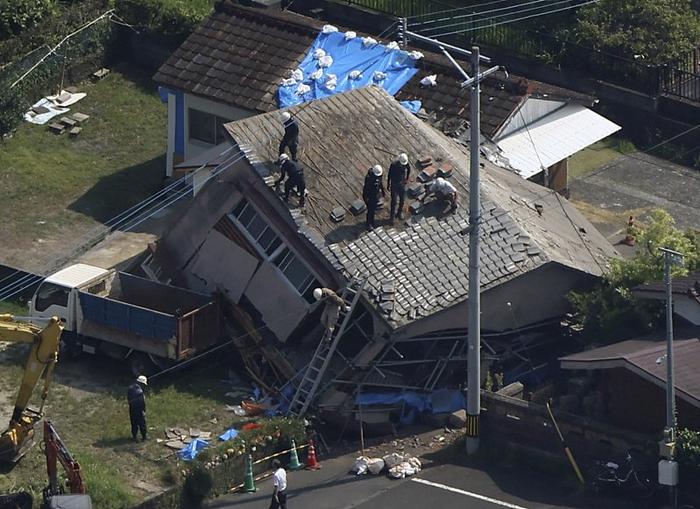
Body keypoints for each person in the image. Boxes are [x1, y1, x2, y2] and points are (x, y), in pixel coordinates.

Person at [387, 152, 410, 223]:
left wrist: (407, 178)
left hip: (402, 183)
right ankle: (392, 217)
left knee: (402, 200)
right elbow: (389, 175)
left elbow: (409, 169)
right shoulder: (393, 165)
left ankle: (399, 212)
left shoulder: (406, 164)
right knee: (394, 201)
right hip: (394, 184)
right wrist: (388, 184)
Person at [362, 165, 386, 231]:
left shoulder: (379, 176)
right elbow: (366, 189)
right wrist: (366, 197)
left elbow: (380, 183)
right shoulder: (369, 178)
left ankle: (372, 221)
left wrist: (383, 192)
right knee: (370, 210)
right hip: (369, 196)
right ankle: (368, 224)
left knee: (373, 209)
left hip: (375, 195)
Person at [127, 375, 148, 441]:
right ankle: (144, 437)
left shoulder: (130, 388)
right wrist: (143, 410)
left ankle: (134, 437)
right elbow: (142, 402)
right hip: (139, 410)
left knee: (134, 423)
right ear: (141, 383)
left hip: (132, 409)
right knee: (142, 424)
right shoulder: (140, 392)